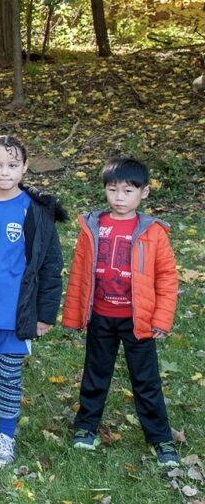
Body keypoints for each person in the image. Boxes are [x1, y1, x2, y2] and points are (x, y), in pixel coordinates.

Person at [61, 156, 180, 466]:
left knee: (146, 381)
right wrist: (74, 315)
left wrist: (161, 319)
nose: (119, 198)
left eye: (128, 191)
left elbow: (168, 278)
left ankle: (161, 439)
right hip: (101, 317)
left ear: (144, 193)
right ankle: (86, 428)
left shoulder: (153, 232)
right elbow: (79, 274)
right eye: (113, 190)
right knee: (95, 375)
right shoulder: (92, 227)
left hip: (137, 321)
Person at [0, 136, 65, 467]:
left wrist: (45, 315)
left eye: (13, 165)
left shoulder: (35, 211)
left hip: (16, 315)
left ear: (25, 168)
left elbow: (50, 266)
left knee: (9, 376)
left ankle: (6, 435)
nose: (5, 171)